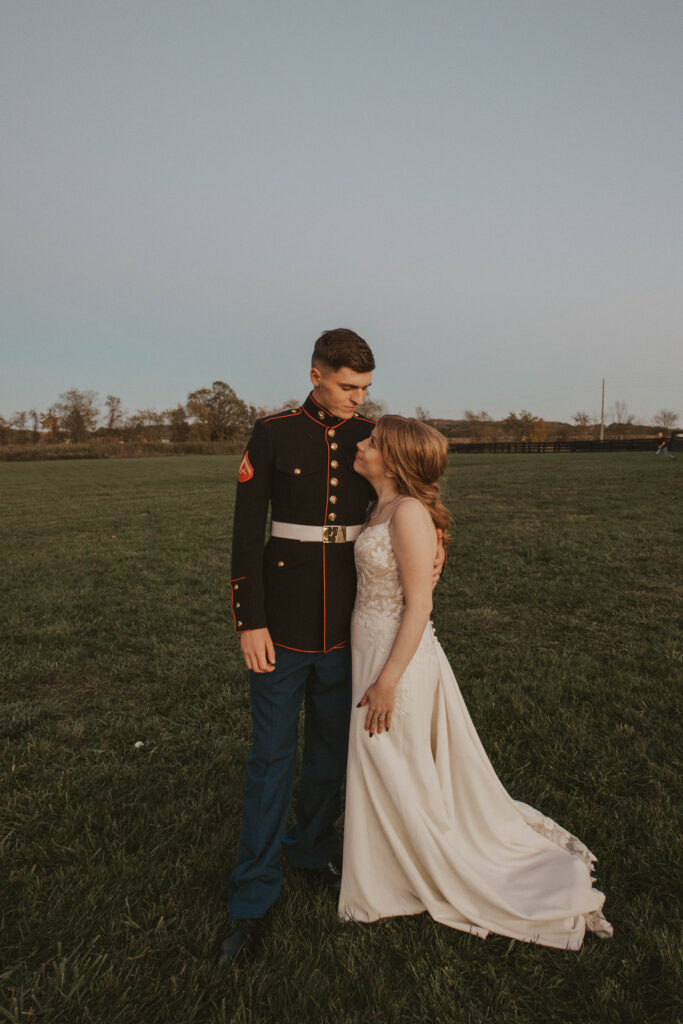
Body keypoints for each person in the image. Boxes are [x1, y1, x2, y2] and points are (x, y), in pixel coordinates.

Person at [339, 415, 613, 950]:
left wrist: (389, 680)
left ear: (394, 459)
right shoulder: (379, 507)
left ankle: (419, 873)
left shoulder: (410, 514)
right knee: (381, 761)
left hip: (398, 657)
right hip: (367, 646)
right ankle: (388, 869)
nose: (361, 444)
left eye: (371, 442)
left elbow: (420, 604)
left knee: (392, 758)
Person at [222, 331, 445, 961]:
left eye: (365, 389)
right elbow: (246, 535)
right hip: (282, 626)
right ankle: (253, 894)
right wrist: (249, 620)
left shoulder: (372, 439)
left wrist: (439, 540)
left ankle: (311, 850)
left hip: (350, 626)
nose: (357, 400)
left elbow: (413, 497)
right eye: (348, 387)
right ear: (316, 373)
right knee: (270, 759)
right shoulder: (273, 431)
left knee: (329, 754)